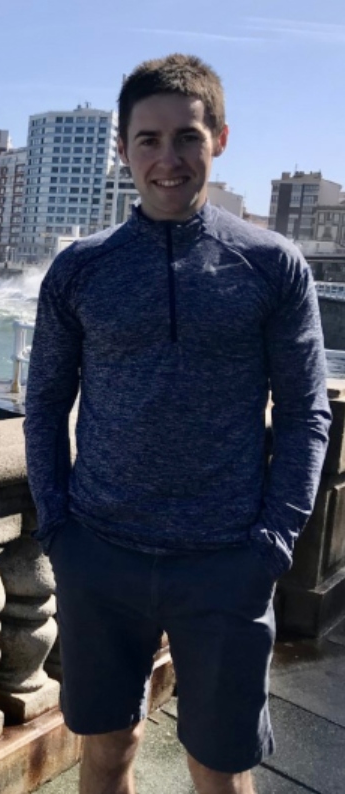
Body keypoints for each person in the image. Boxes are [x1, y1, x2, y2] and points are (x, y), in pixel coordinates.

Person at [24, 54, 331, 794]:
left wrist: (271, 543)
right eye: (149, 140)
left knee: (219, 769)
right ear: (123, 149)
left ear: (219, 139)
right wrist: (59, 528)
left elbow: (304, 411)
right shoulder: (80, 269)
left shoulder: (272, 265)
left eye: (187, 137)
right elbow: (44, 402)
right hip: (101, 553)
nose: (169, 159)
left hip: (226, 560)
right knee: (106, 750)